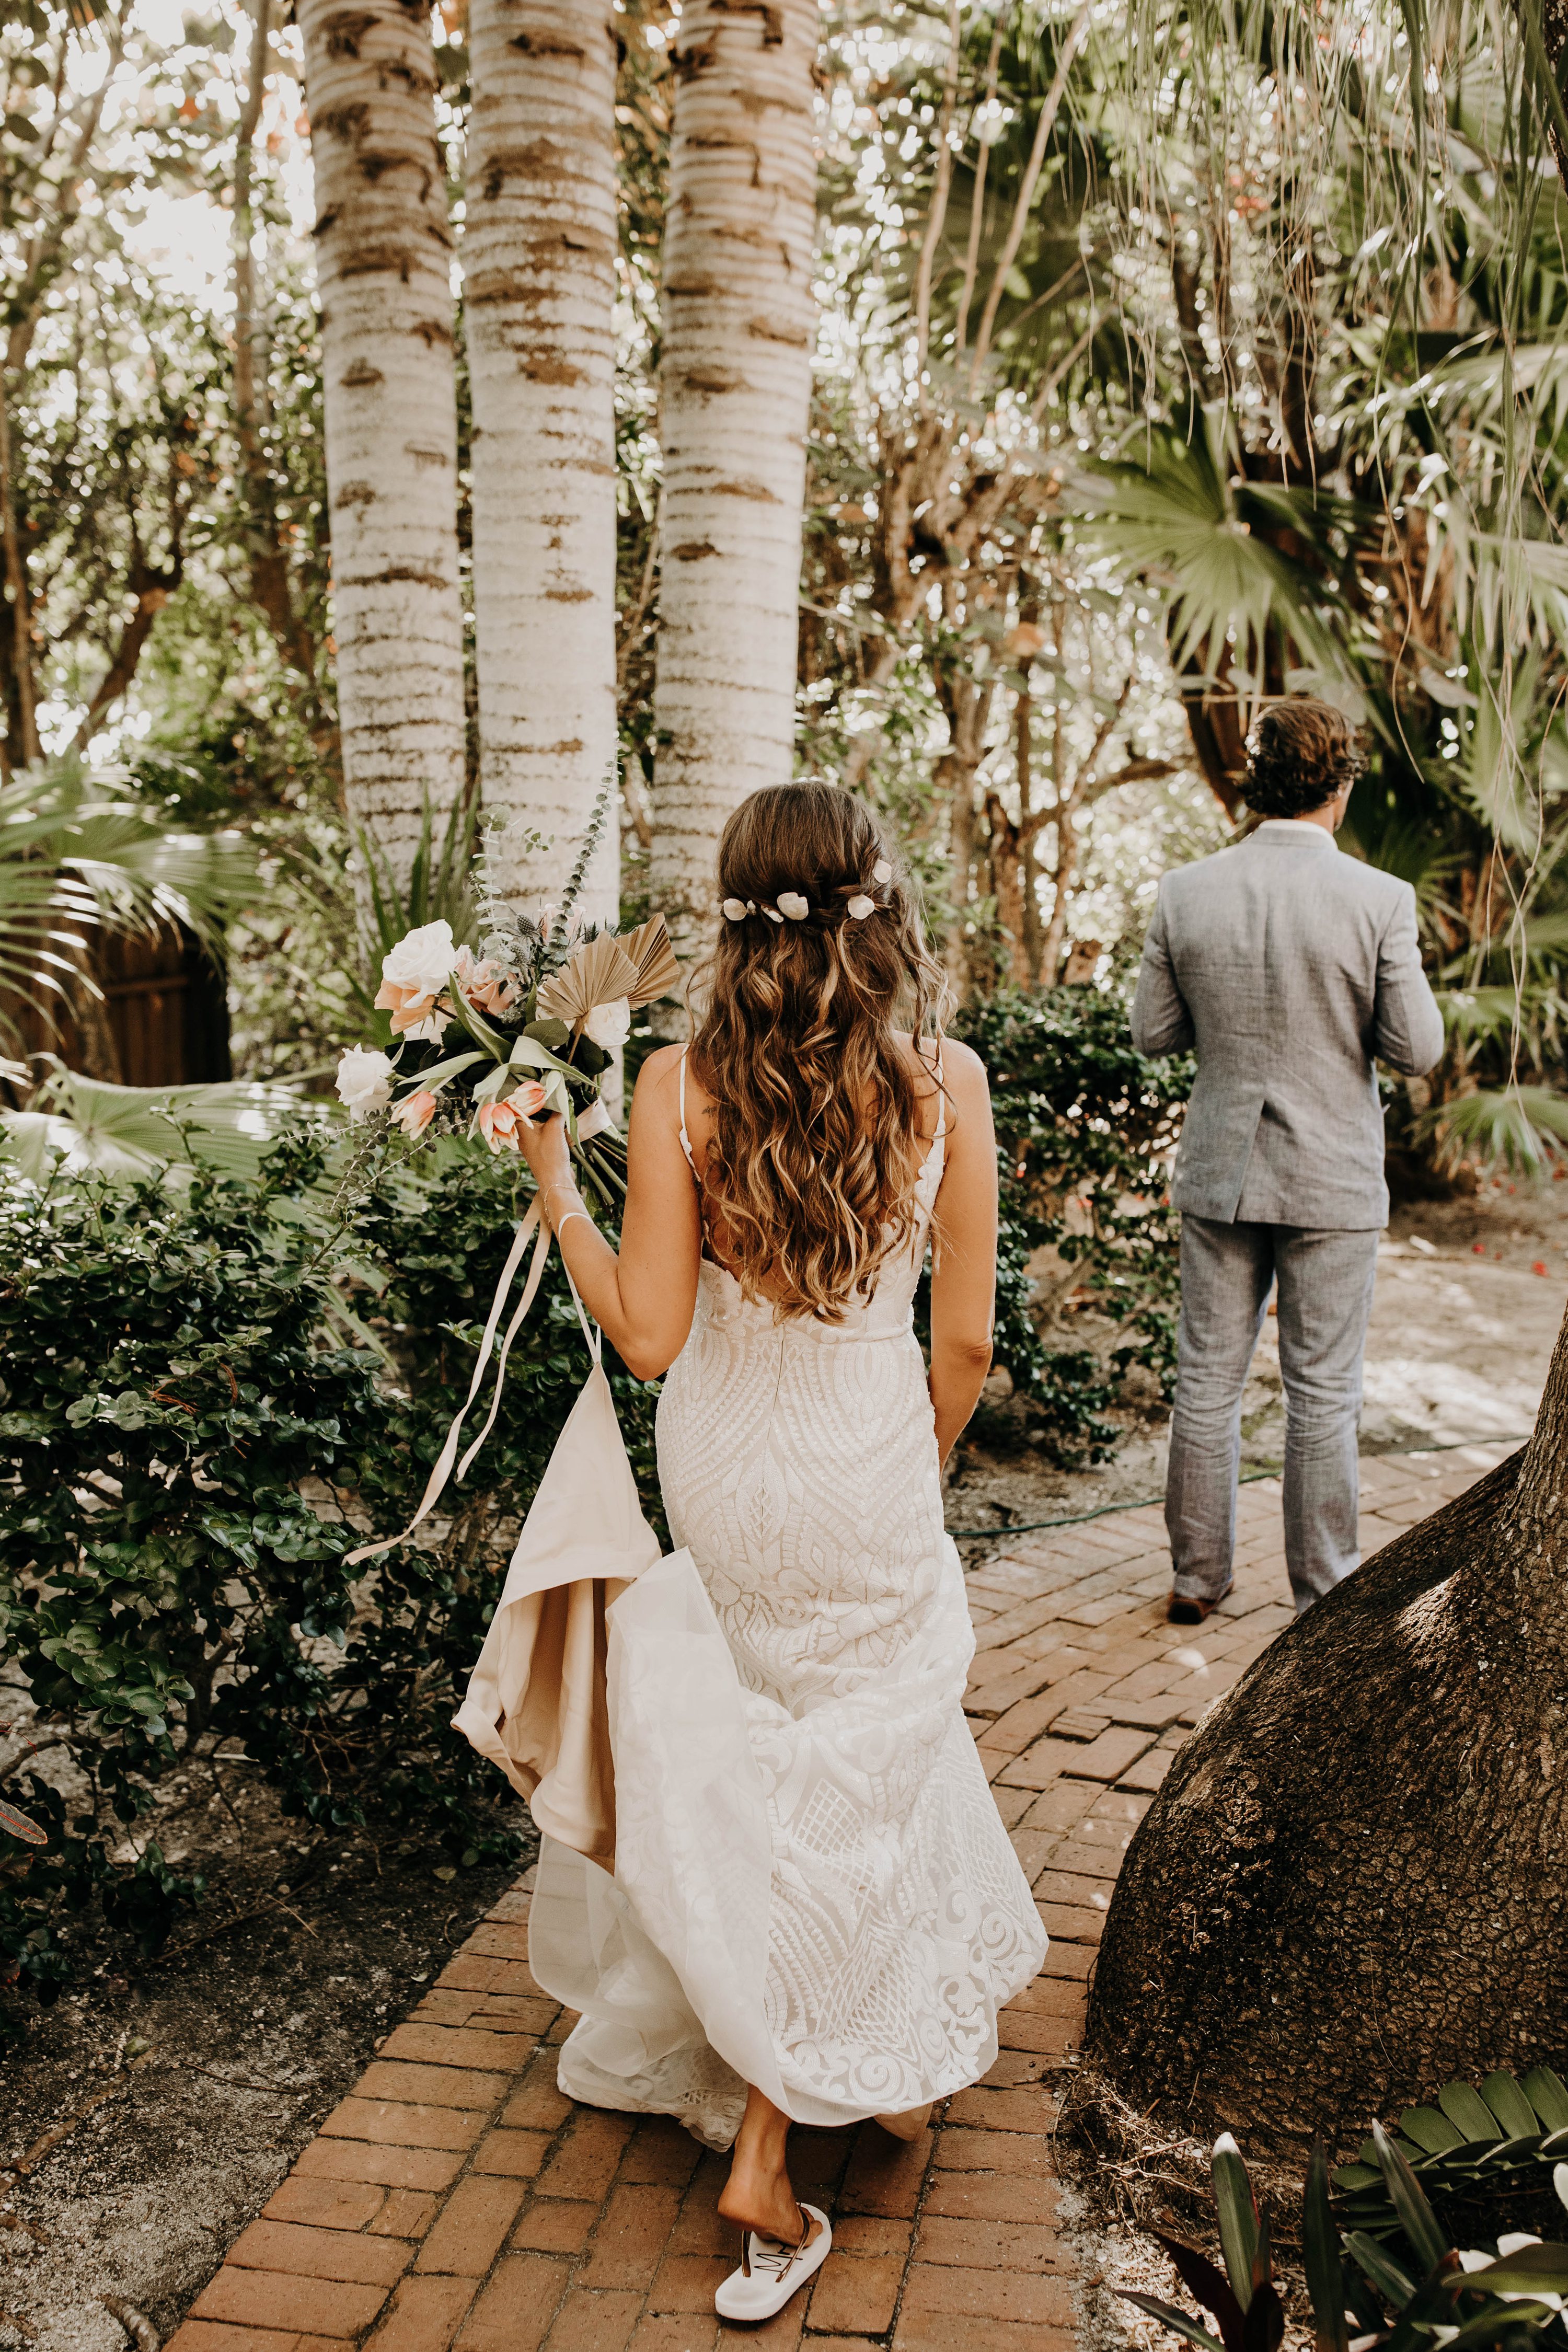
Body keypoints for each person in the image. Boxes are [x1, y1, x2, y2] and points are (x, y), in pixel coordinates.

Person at [514, 781, 1045, 2324]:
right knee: (860, 1753)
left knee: (769, 1755)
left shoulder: (683, 1081)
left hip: (726, 1470)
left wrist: (563, 1188)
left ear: (737, 911)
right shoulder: (947, 1079)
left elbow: (658, 1337)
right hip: (865, 1453)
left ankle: (854, 2054)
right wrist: (900, 1466)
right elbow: (964, 1336)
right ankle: (772, 2128)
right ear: (880, 905)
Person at [1132, 697, 1446, 1625]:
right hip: (1334, 1179)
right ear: (1340, 787)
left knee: (1206, 1380)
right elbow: (1416, 1048)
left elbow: (1151, 1032)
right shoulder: (1381, 900)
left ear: (1254, 783)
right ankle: (1326, 1590)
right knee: (1322, 1393)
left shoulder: (1185, 891)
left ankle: (1197, 1577)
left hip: (1222, 1168)